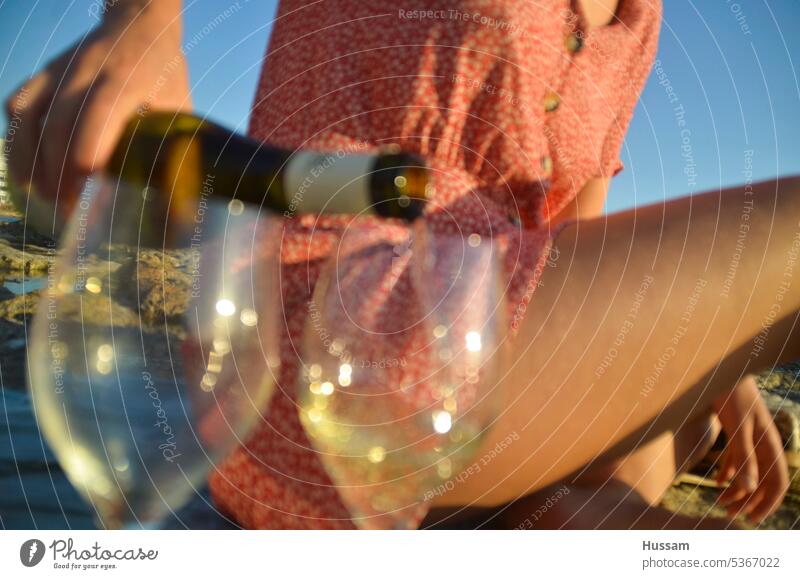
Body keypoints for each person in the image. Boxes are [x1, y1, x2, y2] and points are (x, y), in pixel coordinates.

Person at [5, 0, 791, 529]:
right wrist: (140, 23)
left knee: (659, 450)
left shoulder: (637, 19)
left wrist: (725, 362)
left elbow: (572, 235)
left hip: (480, 363)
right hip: (326, 346)